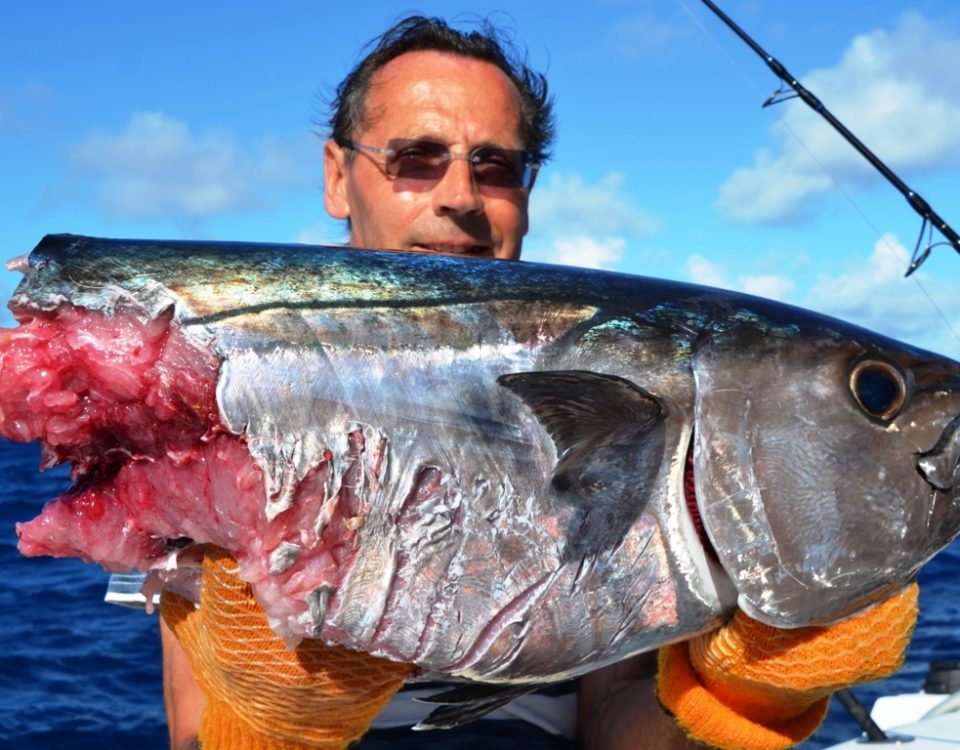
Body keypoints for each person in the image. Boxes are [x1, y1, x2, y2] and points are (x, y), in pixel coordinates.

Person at [155, 15, 701, 750]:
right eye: (417, 157)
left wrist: (730, 696)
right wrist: (274, 720)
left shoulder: (611, 390)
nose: (462, 196)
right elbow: (194, 729)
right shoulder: (214, 391)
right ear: (337, 177)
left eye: (497, 166)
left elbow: (614, 718)